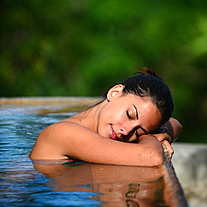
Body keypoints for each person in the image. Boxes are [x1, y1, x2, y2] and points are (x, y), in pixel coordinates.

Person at [30, 68, 182, 166]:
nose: (127, 130)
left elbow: (176, 124)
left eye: (138, 131)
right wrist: (151, 138)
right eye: (130, 115)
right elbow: (151, 157)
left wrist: (153, 133)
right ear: (115, 93)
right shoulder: (64, 133)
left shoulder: (97, 132)